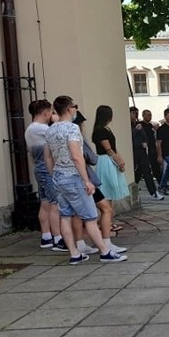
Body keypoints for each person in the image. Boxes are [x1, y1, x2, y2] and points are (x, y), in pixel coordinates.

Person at [43, 96, 127, 264]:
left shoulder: (51, 130)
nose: (75, 109)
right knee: (89, 216)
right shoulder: (72, 129)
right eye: (74, 106)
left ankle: (74, 254)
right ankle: (105, 252)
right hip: (74, 177)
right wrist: (86, 180)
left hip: (59, 177)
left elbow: (48, 157)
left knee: (65, 216)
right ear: (69, 109)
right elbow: (77, 156)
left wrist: (54, 175)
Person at [72, 110, 123, 255]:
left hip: (66, 179)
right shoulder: (76, 137)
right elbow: (91, 157)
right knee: (104, 209)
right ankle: (105, 246)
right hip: (84, 178)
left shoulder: (55, 134)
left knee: (75, 213)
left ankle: (79, 244)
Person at [25, 99, 64, 250]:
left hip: (39, 167)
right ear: (46, 113)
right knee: (55, 203)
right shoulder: (39, 128)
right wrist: (57, 121)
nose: (51, 115)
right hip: (46, 168)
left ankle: (46, 236)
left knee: (45, 202)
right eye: (51, 112)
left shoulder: (31, 129)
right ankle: (58, 238)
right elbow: (58, 134)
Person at [91, 105, 130, 253]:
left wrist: (120, 158)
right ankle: (106, 226)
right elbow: (108, 148)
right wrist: (119, 160)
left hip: (109, 160)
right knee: (107, 191)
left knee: (110, 193)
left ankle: (109, 223)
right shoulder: (100, 131)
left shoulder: (105, 129)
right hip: (106, 161)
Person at [130, 106, 163, 200]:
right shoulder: (129, 124)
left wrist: (145, 142)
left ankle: (153, 192)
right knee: (136, 171)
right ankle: (133, 186)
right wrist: (136, 130)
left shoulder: (138, 124)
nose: (135, 115)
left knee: (147, 171)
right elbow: (129, 136)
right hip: (133, 150)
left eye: (136, 113)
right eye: (133, 113)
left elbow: (145, 136)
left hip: (141, 150)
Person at [141, 109, 162, 183]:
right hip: (143, 148)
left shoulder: (151, 125)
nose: (150, 117)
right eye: (148, 115)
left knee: (155, 166)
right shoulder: (140, 125)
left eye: (150, 115)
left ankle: (161, 183)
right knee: (142, 167)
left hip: (152, 148)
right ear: (143, 116)